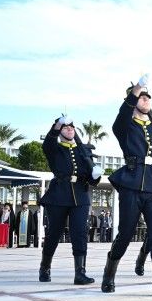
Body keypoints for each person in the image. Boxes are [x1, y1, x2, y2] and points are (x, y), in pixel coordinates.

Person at [102, 78, 152, 296]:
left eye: (148, 97)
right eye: (141, 96)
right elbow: (121, 116)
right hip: (131, 184)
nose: (146, 100)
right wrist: (135, 90)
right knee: (126, 233)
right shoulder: (126, 126)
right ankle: (109, 273)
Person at [38, 115, 103, 285]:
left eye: (72, 127)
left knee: (80, 233)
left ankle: (80, 272)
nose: (69, 129)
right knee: (54, 233)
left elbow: (91, 179)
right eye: (66, 127)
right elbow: (48, 143)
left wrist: (95, 176)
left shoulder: (83, 151)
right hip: (59, 195)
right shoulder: (55, 148)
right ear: (60, 131)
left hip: (80, 195)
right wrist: (57, 124)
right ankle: (45, 267)